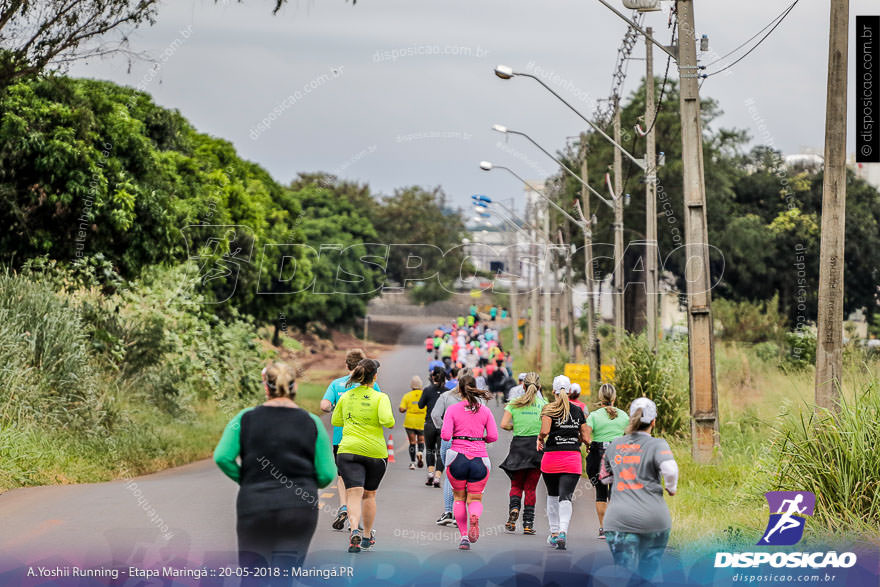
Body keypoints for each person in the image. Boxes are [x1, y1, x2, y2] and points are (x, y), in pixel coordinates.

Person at [214, 362, 336, 567]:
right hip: (299, 508)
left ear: (266, 387)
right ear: (294, 386)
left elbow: (222, 457)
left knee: (254, 576)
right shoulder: (312, 422)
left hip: (255, 504)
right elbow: (326, 474)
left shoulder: (244, 419)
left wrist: (247, 480)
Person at [602, 397, 678, 580]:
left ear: (631, 418)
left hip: (619, 521)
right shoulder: (658, 445)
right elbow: (670, 470)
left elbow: (605, 478)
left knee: (623, 574)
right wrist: (671, 487)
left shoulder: (614, 445)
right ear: (653, 421)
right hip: (654, 520)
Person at [331, 359, 395, 553]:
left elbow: (336, 420)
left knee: (353, 493)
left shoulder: (347, 396)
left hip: (348, 451)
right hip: (375, 453)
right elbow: (388, 422)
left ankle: (353, 531)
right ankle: (366, 536)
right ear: (374, 376)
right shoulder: (380, 397)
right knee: (369, 495)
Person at [320, 348, 380, 531]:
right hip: (366, 441)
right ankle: (356, 520)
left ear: (347, 365)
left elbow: (324, 406)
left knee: (342, 477)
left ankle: (343, 507)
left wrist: (335, 409)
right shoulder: (371, 386)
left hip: (342, 440)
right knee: (360, 483)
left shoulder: (337, 384)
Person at [440, 375, 498, 550]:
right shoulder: (485, 411)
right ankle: (474, 515)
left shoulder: (453, 409)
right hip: (479, 458)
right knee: (475, 498)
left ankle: (464, 536)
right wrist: (481, 439)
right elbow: (493, 436)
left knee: (459, 498)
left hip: (457, 457)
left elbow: (445, 435)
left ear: (459, 390)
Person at [537, 375, 588, 551]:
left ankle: (553, 533)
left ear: (553, 391)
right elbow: (586, 436)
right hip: (572, 459)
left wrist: (540, 439)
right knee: (566, 497)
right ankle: (563, 532)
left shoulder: (549, 409)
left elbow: (544, 430)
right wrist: (587, 445)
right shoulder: (578, 411)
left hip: (551, 458)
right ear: (570, 391)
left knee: (552, 495)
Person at [499, 372, 546, 535]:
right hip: (537, 448)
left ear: (523, 386)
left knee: (516, 485)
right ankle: (528, 523)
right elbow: (547, 429)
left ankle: (513, 511)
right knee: (531, 488)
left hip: (518, 446)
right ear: (539, 387)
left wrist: (516, 427)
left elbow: (503, 424)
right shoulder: (544, 405)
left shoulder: (514, 403)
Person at [584, 383, 629, 539]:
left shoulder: (594, 416)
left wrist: (588, 445)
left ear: (600, 398)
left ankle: (603, 528)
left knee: (600, 493)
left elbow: (586, 434)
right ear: (614, 397)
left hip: (598, 455)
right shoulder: (624, 416)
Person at [418, 367, 447, 488]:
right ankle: (437, 477)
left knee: (430, 449)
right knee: (441, 453)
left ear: (433, 377)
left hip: (429, 424)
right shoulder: (448, 392)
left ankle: (430, 473)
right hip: (443, 425)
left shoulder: (427, 390)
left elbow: (420, 405)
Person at [399, 375, 427, 470]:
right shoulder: (424, 395)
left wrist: (406, 408)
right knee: (421, 440)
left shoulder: (407, 396)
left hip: (410, 422)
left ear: (411, 386)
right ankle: (420, 452)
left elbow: (402, 409)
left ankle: (412, 463)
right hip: (421, 421)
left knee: (412, 442)